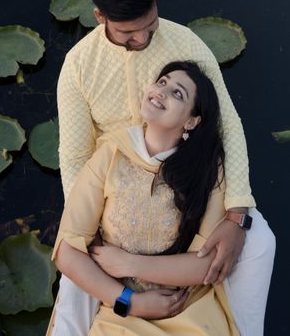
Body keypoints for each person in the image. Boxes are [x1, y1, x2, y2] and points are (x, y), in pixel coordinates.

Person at [52, 0, 274, 335]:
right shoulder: (78, 66)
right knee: (77, 278)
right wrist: (90, 223)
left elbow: (227, 124)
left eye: (150, 26)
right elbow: (74, 156)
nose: (143, 39)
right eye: (129, 33)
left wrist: (238, 214)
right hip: (112, 178)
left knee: (259, 242)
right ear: (100, 17)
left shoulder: (183, 42)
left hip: (185, 165)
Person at [50, 62, 238, 335]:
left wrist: (130, 263)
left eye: (178, 94)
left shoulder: (207, 169)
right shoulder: (112, 153)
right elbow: (68, 250)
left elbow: (206, 264)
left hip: (186, 310)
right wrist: (130, 301)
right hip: (120, 313)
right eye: (162, 82)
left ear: (192, 121)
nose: (162, 91)